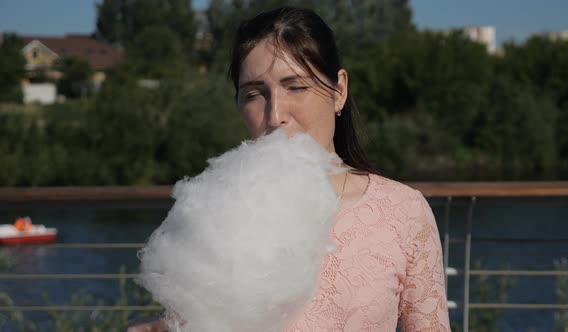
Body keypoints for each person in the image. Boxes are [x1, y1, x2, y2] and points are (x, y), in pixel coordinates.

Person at [129, 6, 450, 332]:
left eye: (295, 86)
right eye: (255, 94)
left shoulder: (403, 212)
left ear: (339, 91)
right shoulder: (216, 213)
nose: (274, 115)